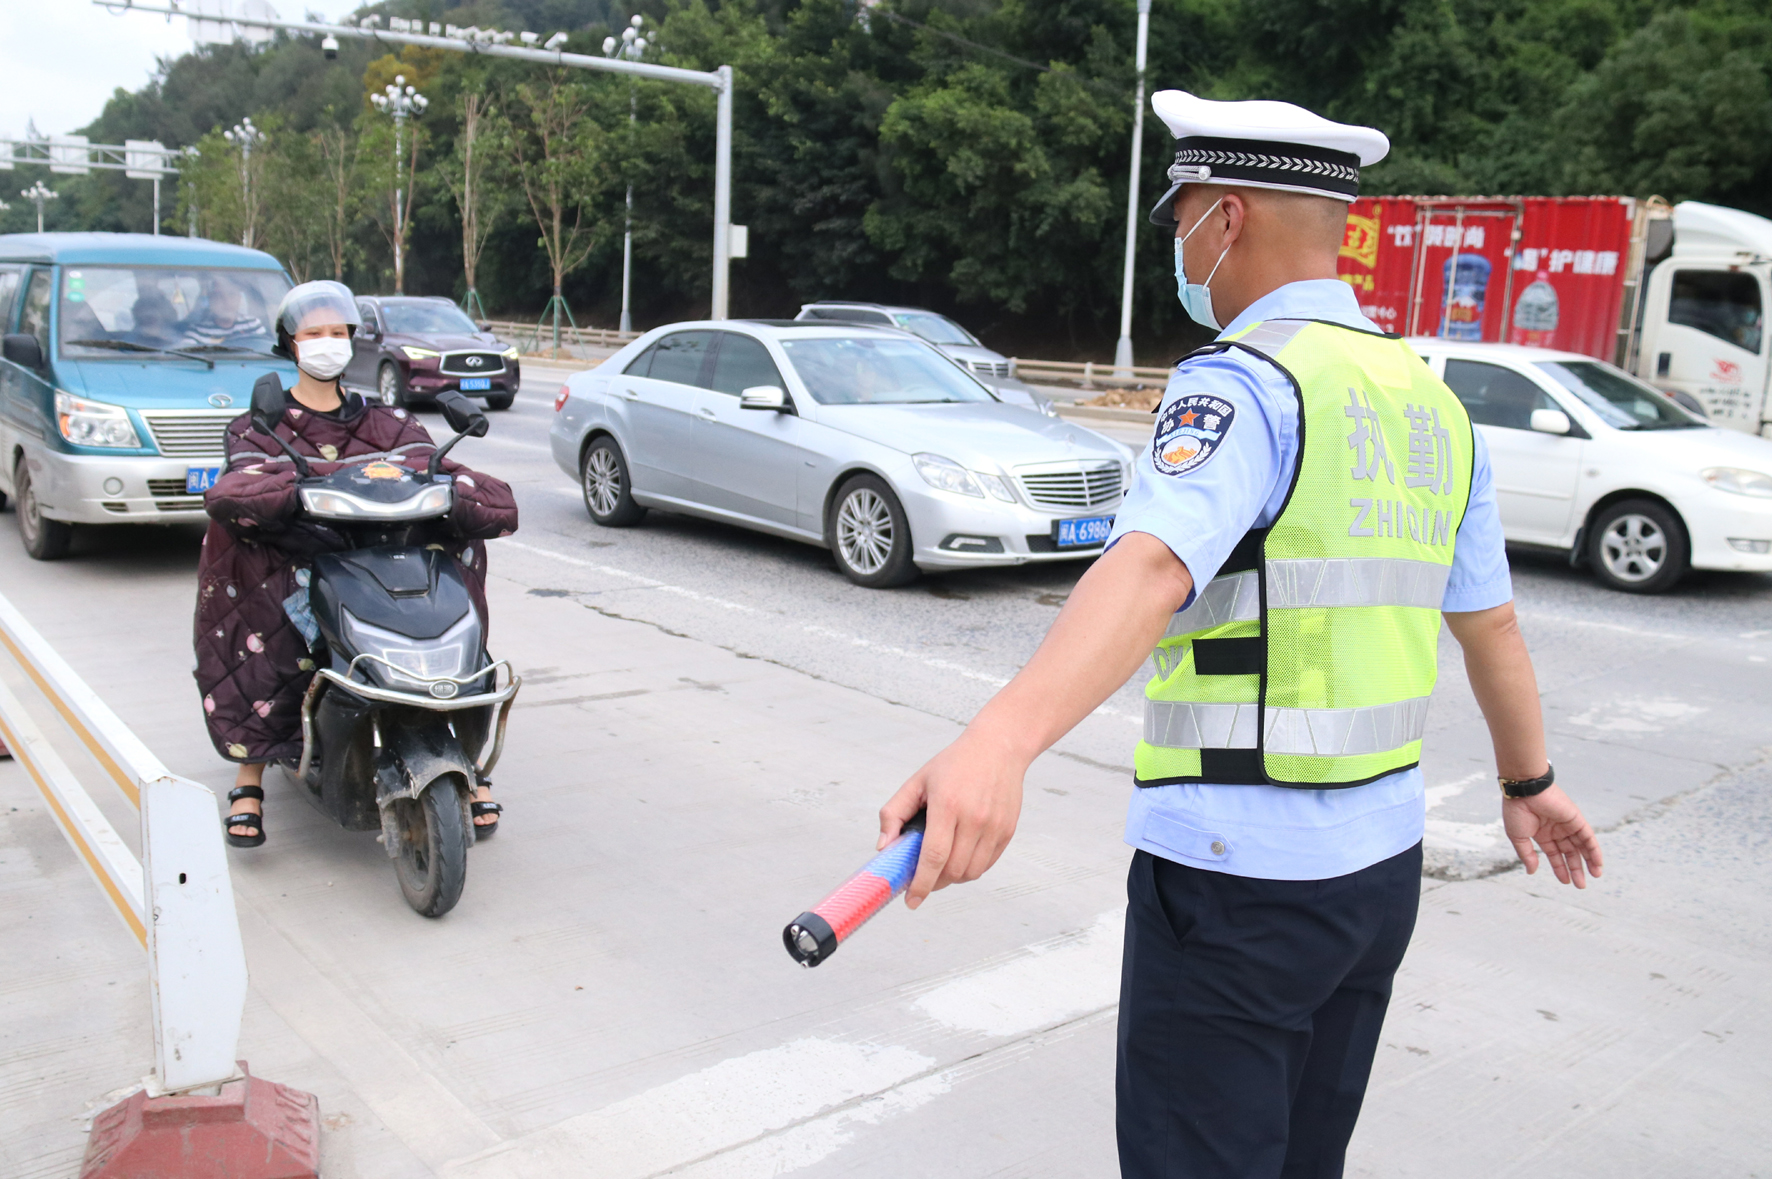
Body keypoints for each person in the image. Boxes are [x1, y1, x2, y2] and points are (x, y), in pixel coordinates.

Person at [875, 91, 1604, 1178]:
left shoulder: (1245, 383)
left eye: (1177, 223)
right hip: (1374, 879)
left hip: (1234, 883)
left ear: (1224, 219)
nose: (1176, 247)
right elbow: (1487, 620)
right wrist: (1525, 780)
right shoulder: (1428, 402)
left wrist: (996, 742)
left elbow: (1150, 567)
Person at [194, 280, 518, 847]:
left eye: (338, 333)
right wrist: (292, 493)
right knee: (263, 608)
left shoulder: (386, 421)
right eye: (314, 334)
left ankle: (465, 756)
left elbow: (430, 463)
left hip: (385, 561)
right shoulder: (259, 425)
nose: (328, 344)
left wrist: (466, 494)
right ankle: (249, 776)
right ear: (290, 344)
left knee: (452, 588)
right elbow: (238, 487)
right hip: (303, 561)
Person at [180, 273, 268, 349]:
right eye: (219, 296)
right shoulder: (196, 333)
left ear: (239, 298)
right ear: (211, 300)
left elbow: (265, 350)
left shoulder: (253, 324)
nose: (227, 302)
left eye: (231, 295)